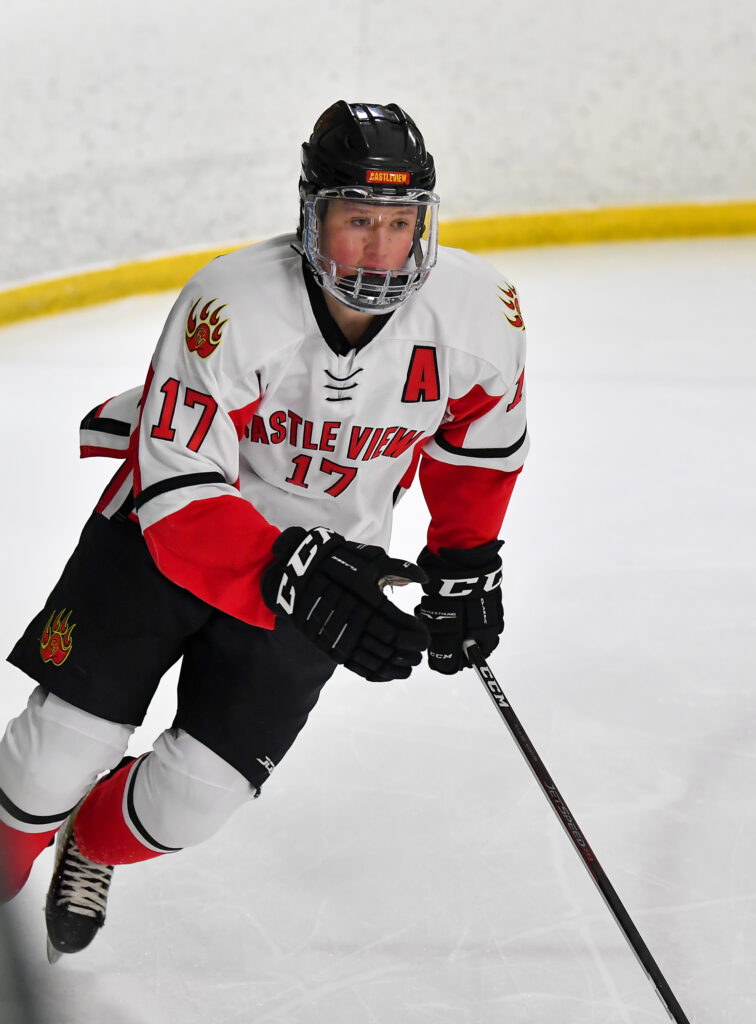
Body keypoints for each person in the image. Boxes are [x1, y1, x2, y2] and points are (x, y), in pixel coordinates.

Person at [0, 101, 529, 959]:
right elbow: (177, 485)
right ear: (312, 215)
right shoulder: (231, 303)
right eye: (358, 220)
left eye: (399, 223)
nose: (379, 248)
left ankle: (90, 842)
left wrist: (466, 560)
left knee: (189, 803)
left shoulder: (479, 316)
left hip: (328, 572)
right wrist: (286, 568)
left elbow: (479, 448)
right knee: (49, 760)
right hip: (165, 541)